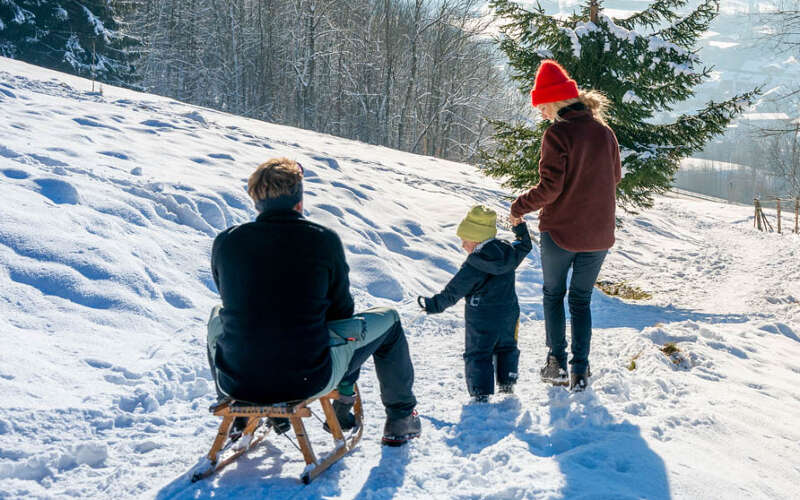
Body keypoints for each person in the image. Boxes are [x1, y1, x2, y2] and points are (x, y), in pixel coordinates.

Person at [206, 157, 420, 445]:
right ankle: (401, 418)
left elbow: (233, 302)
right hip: (309, 376)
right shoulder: (322, 240)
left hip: (238, 380)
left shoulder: (227, 242)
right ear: (299, 199)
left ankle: (235, 409)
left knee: (217, 314)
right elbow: (342, 311)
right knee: (390, 320)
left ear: (256, 201)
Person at [509, 60, 622, 392]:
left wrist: (518, 208)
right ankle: (581, 371)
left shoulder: (557, 134)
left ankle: (556, 364)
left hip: (560, 233)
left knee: (554, 294)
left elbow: (550, 189)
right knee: (582, 300)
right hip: (599, 236)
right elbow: (614, 177)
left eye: (541, 105)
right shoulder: (605, 133)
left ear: (554, 100)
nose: (541, 112)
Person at [417, 205, 532, 402]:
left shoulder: (474, 264)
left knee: (479, 352)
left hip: (482, 317)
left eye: (465, 240)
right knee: (507, 347)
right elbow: (525, 245)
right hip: (509, 314)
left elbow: (454, 291)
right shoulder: (508, 252)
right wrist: (520, 228)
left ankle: (481, 392)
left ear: (476, 239)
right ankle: (507, 382)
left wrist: (433, 304)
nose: (462, 245)